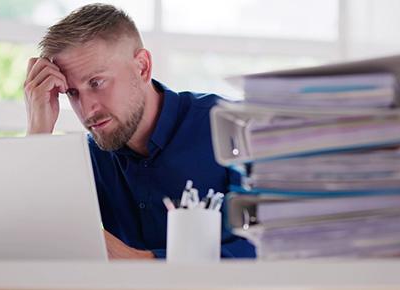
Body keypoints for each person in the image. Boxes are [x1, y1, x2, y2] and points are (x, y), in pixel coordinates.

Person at [24, 3, 255, 259]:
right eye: (72, 93)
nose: (87, 109)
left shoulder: (234, 127)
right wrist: (38, 129)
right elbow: (28, 236)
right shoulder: (90, 158)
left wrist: (139, 262)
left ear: (142, 67)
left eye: (96, 82)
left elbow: (265, 249)